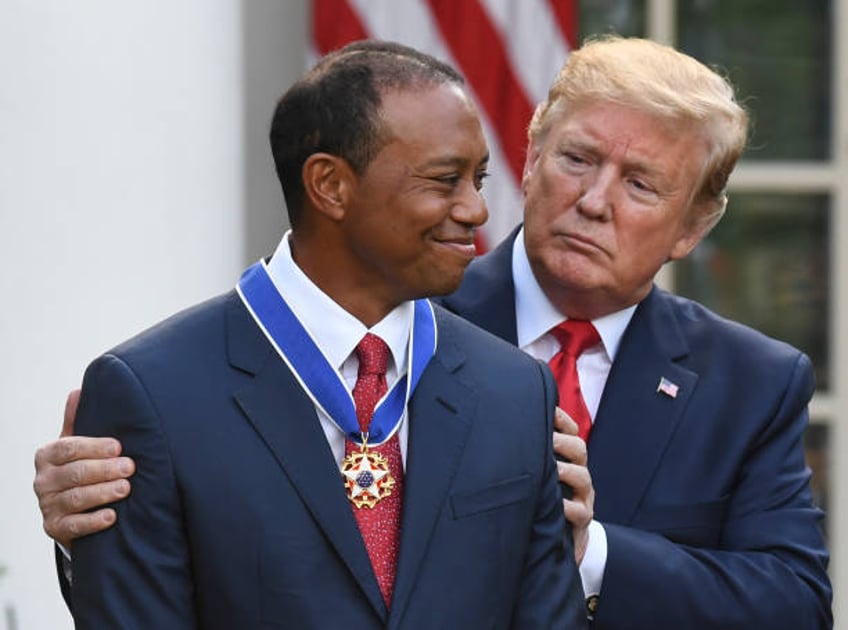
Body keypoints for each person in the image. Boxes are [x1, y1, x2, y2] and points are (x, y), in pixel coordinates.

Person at [34, 35, 833, 628]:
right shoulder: (379, 311)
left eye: (640, 184)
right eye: (578, 160)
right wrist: (100, 531)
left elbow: (795, 603)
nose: (594, 200)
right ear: (531, 154)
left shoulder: (753, 381)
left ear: (695, 226)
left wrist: (590, 553)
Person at [46, 40, 586, 628]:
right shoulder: (153, 394)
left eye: (477, 179)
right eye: (445, 179)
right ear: (329, 185)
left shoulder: (515, 391)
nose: (477, 210)